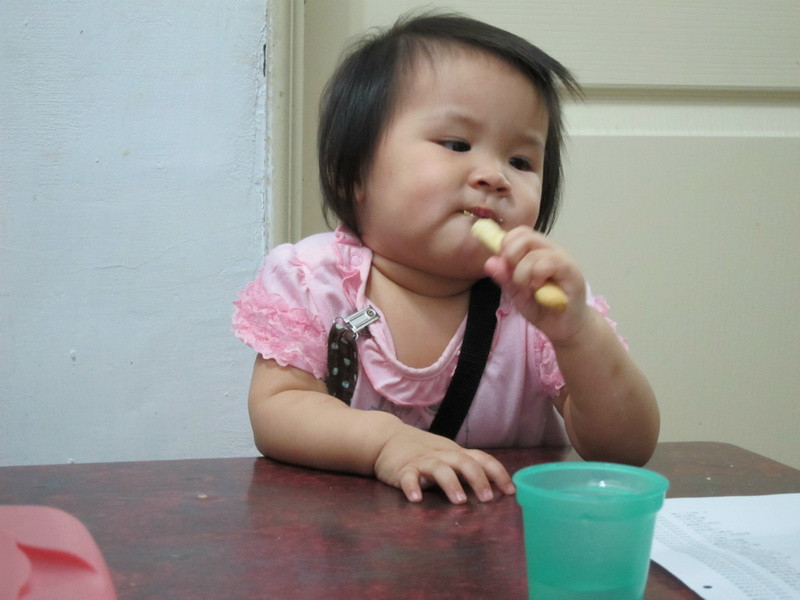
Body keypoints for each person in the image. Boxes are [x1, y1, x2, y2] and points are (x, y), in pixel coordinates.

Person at [232, 12, 659, 505]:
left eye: (521, 161)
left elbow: (627, 450)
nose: (495, 175)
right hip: (348, 555)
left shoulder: (536, 310)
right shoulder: (313, 280)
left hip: (499, 561)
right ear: (353, 173)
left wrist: (580, 333)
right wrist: (389, 443)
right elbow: (277, 409)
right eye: (457, 144)